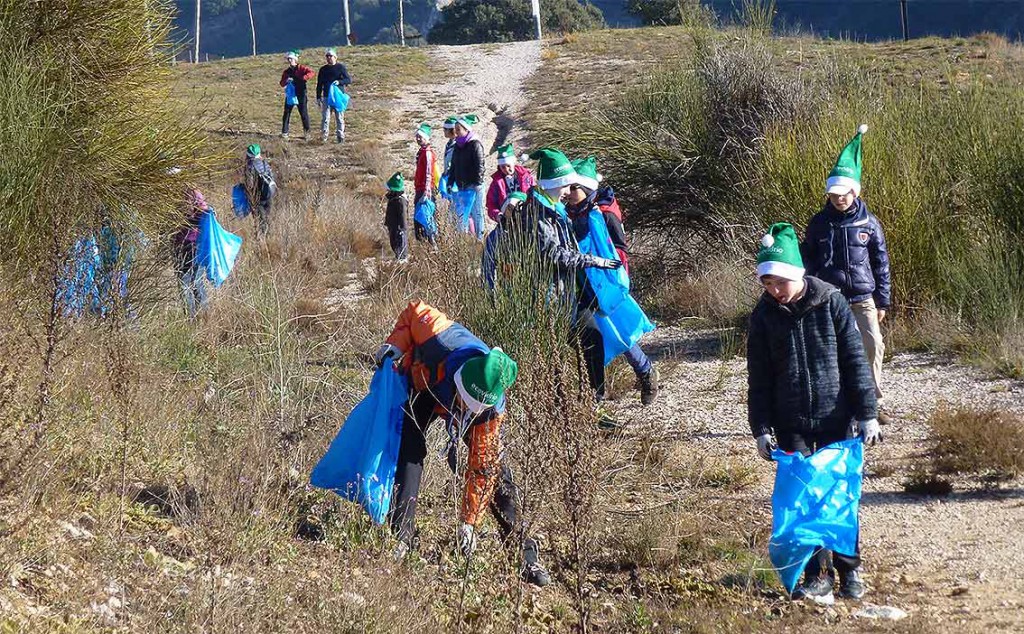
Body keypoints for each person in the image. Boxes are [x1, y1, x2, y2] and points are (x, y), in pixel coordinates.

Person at [747, 222, 882, 604]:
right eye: (767, 284)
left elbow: (856, 361)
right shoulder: (763, 316)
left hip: (836, 418)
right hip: (791, 425)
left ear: (796, 274)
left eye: (780, 283)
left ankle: (849, 571)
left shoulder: (832, 302)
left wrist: (867, 413)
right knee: (803, 503)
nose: (775, 291)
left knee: (839, 497)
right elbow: (758, 379)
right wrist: (760, 428)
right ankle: (815, 575)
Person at [373, 300, 551, 587]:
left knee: (496, 473)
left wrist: (469, 522)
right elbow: (412, 311)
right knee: (410, 448)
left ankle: (525, 555)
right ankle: (401, 538)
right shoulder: (439, 336)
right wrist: (395, 344)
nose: (465, 410)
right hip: (428, 384)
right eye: (464, 402)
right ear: (461, 381)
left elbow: (482, 469)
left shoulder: (489, 411)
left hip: (460, 401)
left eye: (473, 409)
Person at [508, 149, 622, 406]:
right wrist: (595, 261)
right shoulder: (537, 215)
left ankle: (593, 403)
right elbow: (555, 255)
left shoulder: (553, 209)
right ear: (554, 184)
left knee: (591, 339)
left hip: (565, 293)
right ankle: (562, 409)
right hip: (549, 298)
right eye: (565, 185)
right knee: (556, 355)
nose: (568, 191)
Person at [801, 125, 892, 425]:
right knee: (835, 351)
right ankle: (841, 406)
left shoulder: (870, 223)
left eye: (844, 194)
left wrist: (882, 301)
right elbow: (807, 259)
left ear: (855, 191)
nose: (839, 199)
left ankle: (872, 403)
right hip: (831, 299)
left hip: (864, 297)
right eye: (834, 194)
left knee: (872, 346)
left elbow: (881, 263)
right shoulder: (818, 223)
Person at [565, 157, 658, 406]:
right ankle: (594, 394)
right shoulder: (568, 214)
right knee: (595, 335)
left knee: (620, 332)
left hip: (605, 284)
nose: (568, 192)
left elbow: (619, 249)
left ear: (585, 189)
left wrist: (614, 282)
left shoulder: (603, 215)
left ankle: (646, 372)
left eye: (573, 187)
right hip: (581, 284)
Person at [171, 189, 209, 318]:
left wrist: (185, 222)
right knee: (191, 282)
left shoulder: (191, 194)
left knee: (188, 282)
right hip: (183, 244)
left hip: (191, 243)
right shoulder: (192, 193)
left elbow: (204, 214)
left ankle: (198, 318)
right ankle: (197, 317)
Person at [449, 114, 486, 239]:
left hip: (474, 186)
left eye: (458, 129)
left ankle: (479, 238)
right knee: (464, 213)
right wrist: (451, 181)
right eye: (455, 129)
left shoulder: (475, 145)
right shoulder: (457, 147)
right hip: (462, 186)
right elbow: (453, 166)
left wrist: (477, 182)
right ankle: (467, 239)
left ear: (466, 130)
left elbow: (480, 165)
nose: (456, 132)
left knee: (477, 213)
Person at [485, 144, 535, 222]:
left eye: (508, 166)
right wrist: (497, 215)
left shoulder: (526, 176)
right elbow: (491, 204)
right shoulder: (496, 182)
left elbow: (535, 194)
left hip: (527, 214)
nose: (506, 169)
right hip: (506, 218)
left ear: (513, 163)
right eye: (503, 167)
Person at [315, 48, 352, 143]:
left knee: (339, 117)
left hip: (338, 97)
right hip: (327, 96)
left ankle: (340, 137)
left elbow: (348, 80)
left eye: (330, 56)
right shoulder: (323, 69)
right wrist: (318, 97)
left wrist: (339, 82)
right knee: (325, 118)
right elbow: (319, 84)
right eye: (327, 56)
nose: (328, 58)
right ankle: (323, 137)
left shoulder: (340, 67)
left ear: (335, 57)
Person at [279, 50, 315, 140]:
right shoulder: (286, 72)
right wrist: (286, 81)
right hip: (290, 94)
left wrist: (304, 78)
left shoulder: (301, 68)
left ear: (295, 59)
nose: (289, 60)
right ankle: (284, 133)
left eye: (291, 58)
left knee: (303, 113)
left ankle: (307, 133)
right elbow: (281, 83)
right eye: (288, 59)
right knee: (287, 113)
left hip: (301, 93)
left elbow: (311, 72)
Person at [243, 144, 276, 237]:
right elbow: (272, 178)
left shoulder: (250, 167)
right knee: (267, 218)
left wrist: (246, 191)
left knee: (260, 221)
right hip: (269, 195)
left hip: (258, 198)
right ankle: (269, 237)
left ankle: (263, 240)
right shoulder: (265, 163)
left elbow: (250, 184)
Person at [412, 123, 437, 245]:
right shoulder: (421, 152)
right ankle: (423, 244)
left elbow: (429, 173)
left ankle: (431, 244)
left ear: (426, 138)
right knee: (419, 217)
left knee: (425, 218)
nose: (418, 139)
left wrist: (426, 193)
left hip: (425, 190)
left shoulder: (428, 153)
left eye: (420, 137)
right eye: (417, 136)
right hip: (420, 188)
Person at [384, 172, 408, 262]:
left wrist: (402, 229)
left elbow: (403, 218)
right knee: (394, 243)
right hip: (393, 226)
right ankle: (398, 256)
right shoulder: (393, 199)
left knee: (399, 245)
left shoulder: (400, 201)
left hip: (398, 229)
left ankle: (402, 258)